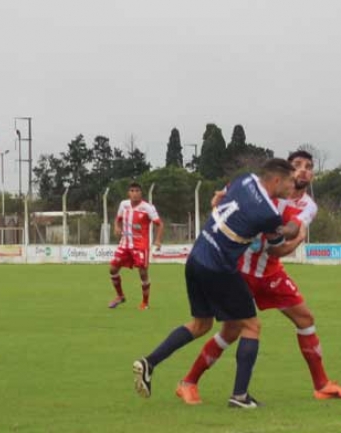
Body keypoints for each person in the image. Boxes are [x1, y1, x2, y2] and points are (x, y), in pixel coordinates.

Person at [132, 158, 301, 409]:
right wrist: (298, 231)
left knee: (201, 324)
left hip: (196, 257)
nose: (292, 186)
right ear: (276, 180)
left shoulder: (245, 179)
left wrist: (219, 197)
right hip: (218, 266)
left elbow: (225, 193)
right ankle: (240, 396)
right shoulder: (268, 213)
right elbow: (280, 243)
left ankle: (149, 362)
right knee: (252, 326)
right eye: (290, 181)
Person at [176, 150, 341, 404]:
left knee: (305, 318)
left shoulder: (308, 205)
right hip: (238, 270)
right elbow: (231, 193)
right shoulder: (267, 192)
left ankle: (321, 385)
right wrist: (221, 194)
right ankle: (189, 382)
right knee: (231, 330)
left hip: (270, 272)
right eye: (297, 165)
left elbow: (289, 235)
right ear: (284, 172)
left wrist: (287, 236)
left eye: (309, 166)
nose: (304, 170)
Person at [108, 183, 164, 310]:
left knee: (143, 273)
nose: (134, 193)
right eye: (132, 190)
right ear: (129, 193)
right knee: (112, 269)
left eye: (137, 191)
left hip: (140, 245)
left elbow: (159, 224)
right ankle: (120, 296)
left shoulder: (147, 208)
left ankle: (145, 302)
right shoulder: (124, 204)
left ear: (141, 193)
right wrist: (117, 227)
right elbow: (118, 219)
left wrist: (158, 240)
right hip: (125, 243)